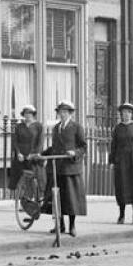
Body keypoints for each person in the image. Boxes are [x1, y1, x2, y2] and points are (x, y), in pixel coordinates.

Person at [40, 100, 87, 237]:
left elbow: (83, 147)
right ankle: (60, 225)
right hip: (57, 168)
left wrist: (74, 153)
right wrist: (42, 154)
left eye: (65, 112)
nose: (62, 114)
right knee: (57, 198)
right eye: (60, 112)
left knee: (71, 199)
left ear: (70, 113)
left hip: (71, 168)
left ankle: (72, 226)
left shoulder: (77, 127)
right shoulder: (56, 128)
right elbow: (54, 148)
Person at [108, 101, 133, 224]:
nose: (126, 115)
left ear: (132, 114)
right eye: (124, 112)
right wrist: (112, 161)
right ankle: (121, 215)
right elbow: (113, 146)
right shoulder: (117, 128)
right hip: (121, 161)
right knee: (122, 187)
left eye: (128, 113)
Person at [8, 104, 43, 191]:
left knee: (34, 178)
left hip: (32, 156)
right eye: (25, 113)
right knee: (19, 178)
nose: (27, 115)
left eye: (30, 113)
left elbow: (40, 142)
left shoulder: (38, 126)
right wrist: (18, 153)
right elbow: (15, 141)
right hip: (20, 157)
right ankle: (18, 197)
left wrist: (33, 154)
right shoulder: (19, 126)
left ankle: (34, 197)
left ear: (33, 114)